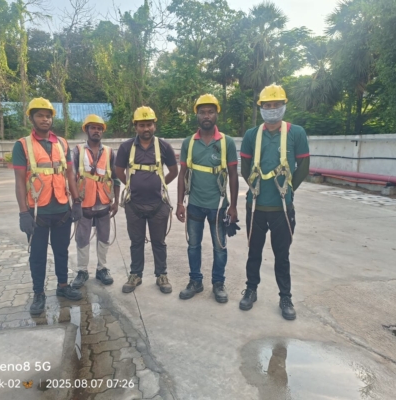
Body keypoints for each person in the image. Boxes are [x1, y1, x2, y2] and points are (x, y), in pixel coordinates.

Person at [239, 84, 310, 320]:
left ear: (284, 106)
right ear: (261, 108)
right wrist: (254, 188)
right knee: (254, 252)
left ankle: (285, 297)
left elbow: (303, 167)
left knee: (282, 254)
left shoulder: (296, 133)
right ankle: (251, 289)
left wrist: (288, 190)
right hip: (256, 206)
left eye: (276, 105)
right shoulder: (251, 135)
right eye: (267, 105)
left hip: (282, 208)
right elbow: (245, 168)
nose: (272, 109)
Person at [13, 97, 83, 316]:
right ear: (32, 118)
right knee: (38, 256)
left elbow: (70, 174)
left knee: (62, 251)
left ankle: (63, 286)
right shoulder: (22, 145)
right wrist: (23, 212)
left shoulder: (62, 143)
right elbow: (19, 180)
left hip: (62, 209)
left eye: (48, 116)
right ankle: (39, 293)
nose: (45, 119)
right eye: (40, 115)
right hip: (37, 212)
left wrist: (76, 201)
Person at [176, 94, 239, 303]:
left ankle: (218, 283)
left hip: (218, 206)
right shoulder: (189, 143)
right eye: (202, 112)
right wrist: (179, 203)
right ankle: (195, 281)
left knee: (219, 247)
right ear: (197, 115)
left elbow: (233, 175)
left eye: (210, 112)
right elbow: (183, 174)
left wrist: (233, 206)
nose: (206, 116)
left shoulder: (227, 142)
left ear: (216, 114)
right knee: (193, 246)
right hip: (194, 204)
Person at [115, 106, 178, 294]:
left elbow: (174, 171)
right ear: (136, 127)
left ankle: (161, 275)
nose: (146, 129)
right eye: (142, 125)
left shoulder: (163, 146)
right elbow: (119, 171)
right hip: (134, 204)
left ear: (154, 125)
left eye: (149, 124)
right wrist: (131, 185)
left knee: (159, 242)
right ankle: (135, 274)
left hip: (158, 204)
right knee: (136, 242)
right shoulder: (126, 147)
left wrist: (160, 185)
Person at [71, 114, 120, 289]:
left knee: (104, 237)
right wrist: (75, 202)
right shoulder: (77, 151)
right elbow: (71, 177)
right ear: (87, 130)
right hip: (84, 203)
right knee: (82, 238)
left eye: (99, 128)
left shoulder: (109, 152)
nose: (96, 131)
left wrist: (116, 202)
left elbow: (115, 178)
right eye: (93, 128)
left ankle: (102, 269)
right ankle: (82, 271)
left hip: (104, 203)